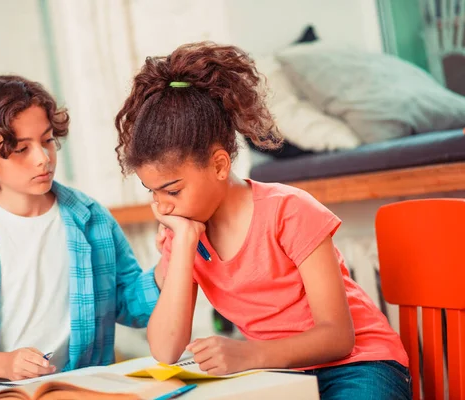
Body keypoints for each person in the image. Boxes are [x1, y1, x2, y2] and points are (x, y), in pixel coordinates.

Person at [114, 42, 411, 399]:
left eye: (172, 191)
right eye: (152, 191)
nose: (161, 206)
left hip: (359, 364)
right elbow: (165, 349)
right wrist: (184, 248)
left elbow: (338, 336)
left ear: (220, 165)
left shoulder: (289, 211)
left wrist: (249, 354)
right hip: (279, 372)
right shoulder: (185, 232)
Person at [0, 75, 161, 395]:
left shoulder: (91, 219)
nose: (43, 158)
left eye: (47, 140)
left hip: (77, 387)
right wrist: (5, 363)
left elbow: (132, 306)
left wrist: (170, 266)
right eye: (22, 148)